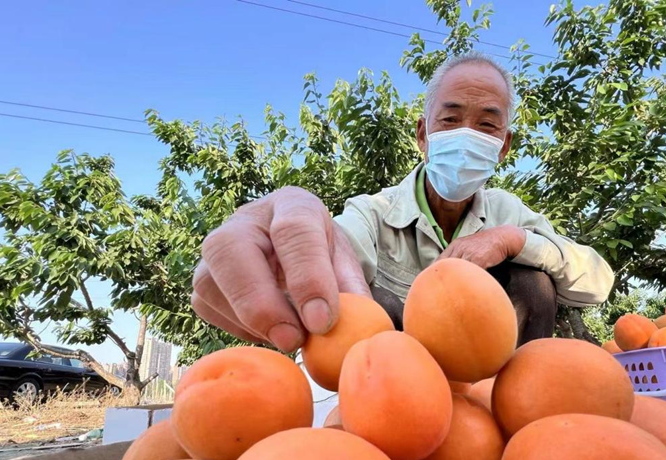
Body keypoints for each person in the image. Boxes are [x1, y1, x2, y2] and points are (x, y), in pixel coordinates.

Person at [193, 52, 614, 352]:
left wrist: (512, 240)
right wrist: (280, 251)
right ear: (422, 135)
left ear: (503, 147)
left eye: (486, 124)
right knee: (368, 301)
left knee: (533, 279)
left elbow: (597, 283)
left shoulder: (509, 213)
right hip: (398, 395)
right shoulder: (372, 213)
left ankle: (521, 413)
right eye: (449, 120)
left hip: (495, 396)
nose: (467, 135)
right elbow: (332, 251)